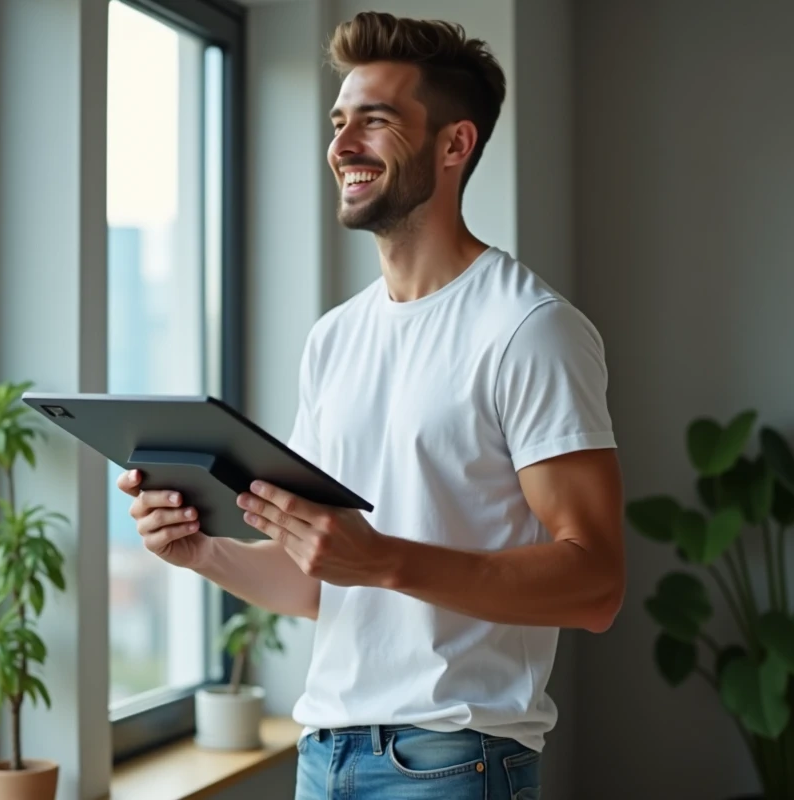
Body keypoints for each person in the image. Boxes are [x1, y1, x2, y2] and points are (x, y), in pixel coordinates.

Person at [117, 11, 626, 799]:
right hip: (326, 757)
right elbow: (319, 582)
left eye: (376, 121)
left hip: (455, 762)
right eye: (338, 121)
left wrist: (384, 558)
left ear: (454, 145)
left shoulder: (530, 329)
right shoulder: (333, 339)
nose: (342, 145)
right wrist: (201, 552)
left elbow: (596, 585)